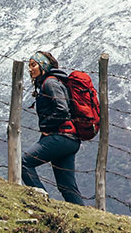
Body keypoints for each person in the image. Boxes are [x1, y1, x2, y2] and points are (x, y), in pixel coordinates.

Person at [21, 51, 85, 205]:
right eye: (29, 66)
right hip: (69, 139)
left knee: (23, 163)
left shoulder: (50, 83)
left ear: (43, 65)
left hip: (61, 137)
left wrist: (45, 126)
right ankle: (84, 218)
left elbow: (62, 110)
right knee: (66, 186)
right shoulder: (51, 82)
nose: (30, 69)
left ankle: (43, 203)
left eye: (33, 65)